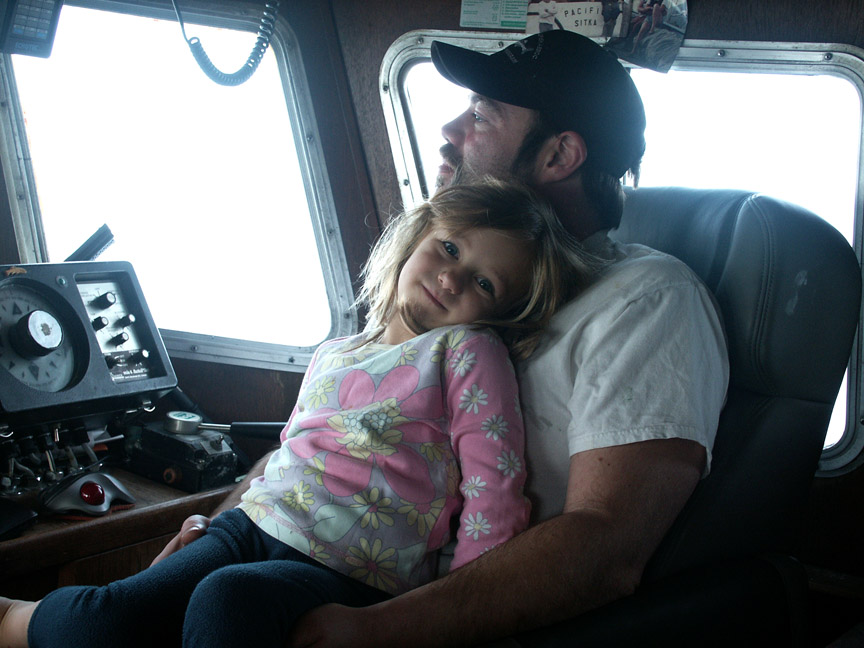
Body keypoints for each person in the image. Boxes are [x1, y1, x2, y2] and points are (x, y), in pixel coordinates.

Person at [147, 30, 728, 647]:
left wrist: (373, 631)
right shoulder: (445, 287)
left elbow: (606, 542)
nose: (451, 130)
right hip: (287, 560)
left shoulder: (648, 299)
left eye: (481, 115)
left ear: (559, 157)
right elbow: (326, 442)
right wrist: (212, 532)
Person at [0, 178, 597, 648]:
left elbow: (494, 492)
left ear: (500, 312)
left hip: (354, 571)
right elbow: (287, 458)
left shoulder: (466, 350)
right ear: (418, 234)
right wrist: (208, 521)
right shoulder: (333, 353)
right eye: (448, 248)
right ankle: (12, 619)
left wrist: (452, 614)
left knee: (228, 602)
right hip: (248, 528)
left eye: (484, 283)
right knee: (108, 620)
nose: (450, 277)